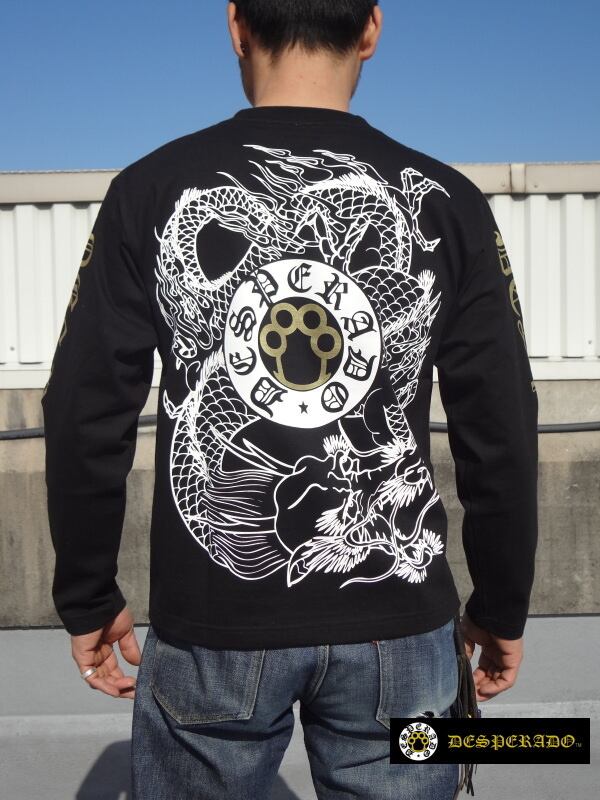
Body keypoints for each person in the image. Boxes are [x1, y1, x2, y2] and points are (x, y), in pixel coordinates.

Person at [41, 1, 538, 798]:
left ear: (236, 25)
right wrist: (504, 603)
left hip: (212, 632)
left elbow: (83, 411)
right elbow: (502, 426)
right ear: (371, 29)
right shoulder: (454, 202)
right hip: (402, 633)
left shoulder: (148, 188)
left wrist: (87, 594)